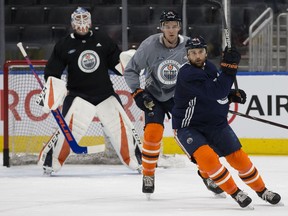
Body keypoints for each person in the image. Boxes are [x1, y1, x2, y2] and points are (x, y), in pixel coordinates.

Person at [172, 36, 281, 208]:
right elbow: (215, 91)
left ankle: (262, 190)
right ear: (187, 55)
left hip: (215, 124)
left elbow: (216, 91)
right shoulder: (187, 74)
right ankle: (235, 192)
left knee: (240, 159)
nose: (197, 56)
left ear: (206, 53)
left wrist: (230, 95)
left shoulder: (209, 67)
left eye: (200, 52)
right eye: (193, 53)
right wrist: (230, 69)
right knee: (208, 158)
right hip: (189, 127)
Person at [124, 10, 223, 197]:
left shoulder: (189, 46)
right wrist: (137, 92)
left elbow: (202, 68)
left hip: (180, 97)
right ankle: (148, 174)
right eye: (167, 26)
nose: (171, 30)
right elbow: (131, 70)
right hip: (154, 95)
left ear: (179, 27)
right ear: (161, 28)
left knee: (193, 138)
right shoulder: (149, 46)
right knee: (153, 133)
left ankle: (206, 174)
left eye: (174, 26)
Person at [37, 7, 142, 175]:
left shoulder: (102, 39)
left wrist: (128, 63)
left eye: (84, 19)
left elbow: (116, 63)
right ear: (72, 23)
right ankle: (51, 160)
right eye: (77, 20)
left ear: (90, 21)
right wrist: (51, 90)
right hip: (78, 96)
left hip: (105, 94)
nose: (81, 23)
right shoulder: (64, 44)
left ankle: (137, 160)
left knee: (122, 130)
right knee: (69, 133)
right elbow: (52, 72)